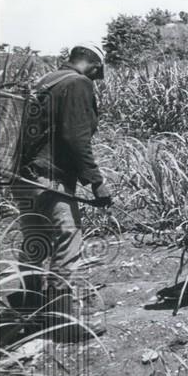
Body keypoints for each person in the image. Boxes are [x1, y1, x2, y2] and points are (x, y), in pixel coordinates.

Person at [16, 42, 114, 341]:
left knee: (36, 244)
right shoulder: (79, 83)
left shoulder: (47, 80)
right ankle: (62, 324)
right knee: (67, 244)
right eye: (99, 74)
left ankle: (30, 315)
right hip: (50, 180)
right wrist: (97, 181)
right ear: (95, 67)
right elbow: (76, 138)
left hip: (24, 179)